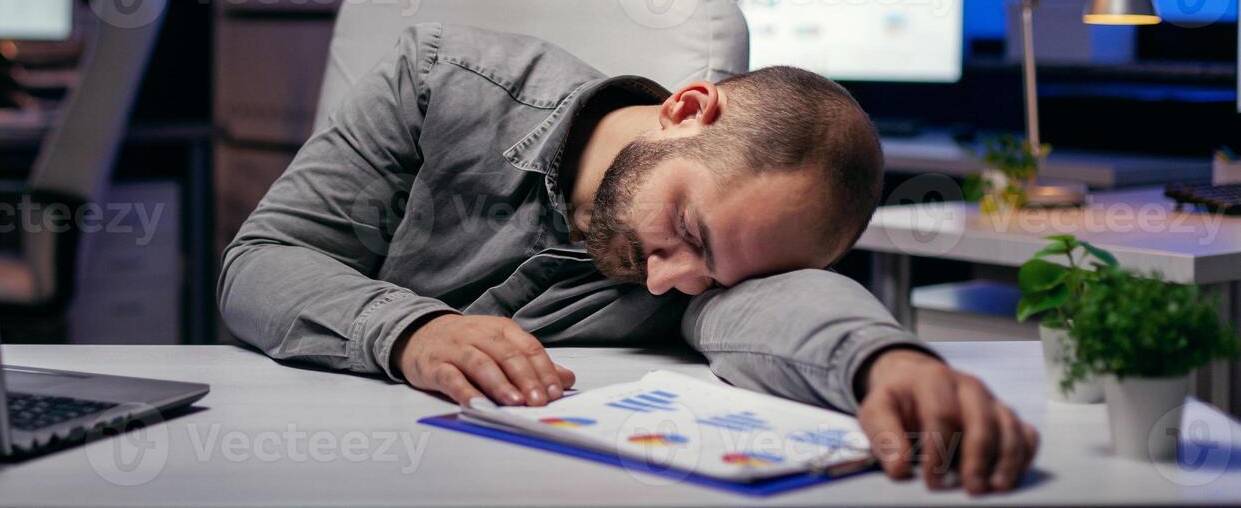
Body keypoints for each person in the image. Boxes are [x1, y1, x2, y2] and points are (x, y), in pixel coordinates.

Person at [220, 24, 1038, 494]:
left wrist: (883, 359)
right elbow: (259, 263)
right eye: (690, 230)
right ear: (685, 110)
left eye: (712, 278)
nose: (667, 280)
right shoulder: (442, 81)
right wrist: (410, 333)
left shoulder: (703, 270)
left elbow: (782, 307)